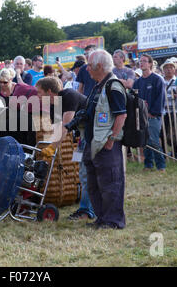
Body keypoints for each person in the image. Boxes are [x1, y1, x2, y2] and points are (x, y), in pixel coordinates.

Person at [35, 76, 95, 221]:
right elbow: (57, 128)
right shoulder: (53, 104)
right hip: (83, 135)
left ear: (49, 91)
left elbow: (65, 126)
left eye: (39, 92)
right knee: (82, 171)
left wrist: (51, 148)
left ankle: (87, 211)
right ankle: (88, 207)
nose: (37, 96)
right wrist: (49, 147)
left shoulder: (68, 95)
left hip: (94, 133)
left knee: (86, 172)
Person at [82, 49, 127, 229]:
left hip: (106, 144)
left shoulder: (113, 86)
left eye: (89, 65)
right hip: (94, 142)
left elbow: (121, 116)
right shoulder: (99, 85)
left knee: (111, 183)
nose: (86, 69)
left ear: (99, 66)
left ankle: (113, 221)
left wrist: (111, 139)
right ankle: (101, 218)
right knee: (94, 183)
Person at [133, 54, 166, 172]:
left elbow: (160, 98)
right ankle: (148, 164)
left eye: (144, 61)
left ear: (151, 63)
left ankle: (161, 165)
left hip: (153, 116)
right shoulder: (137, 82)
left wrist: (153, 112)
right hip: (141, 116)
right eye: (140, 62)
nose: (142, 63)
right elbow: (134, 98)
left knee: (154, 141)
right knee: (145, 141)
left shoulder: (157, 79)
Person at [160, 58, 177, 158]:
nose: (168, 70)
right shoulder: (160, 81)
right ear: (163, 70)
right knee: (162, 132)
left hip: (175, 111)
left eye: (171, 67)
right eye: (166, 68)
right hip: (163, 112)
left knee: (176, 132)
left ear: (174, 69)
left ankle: (176, 152)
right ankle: (164, 152)